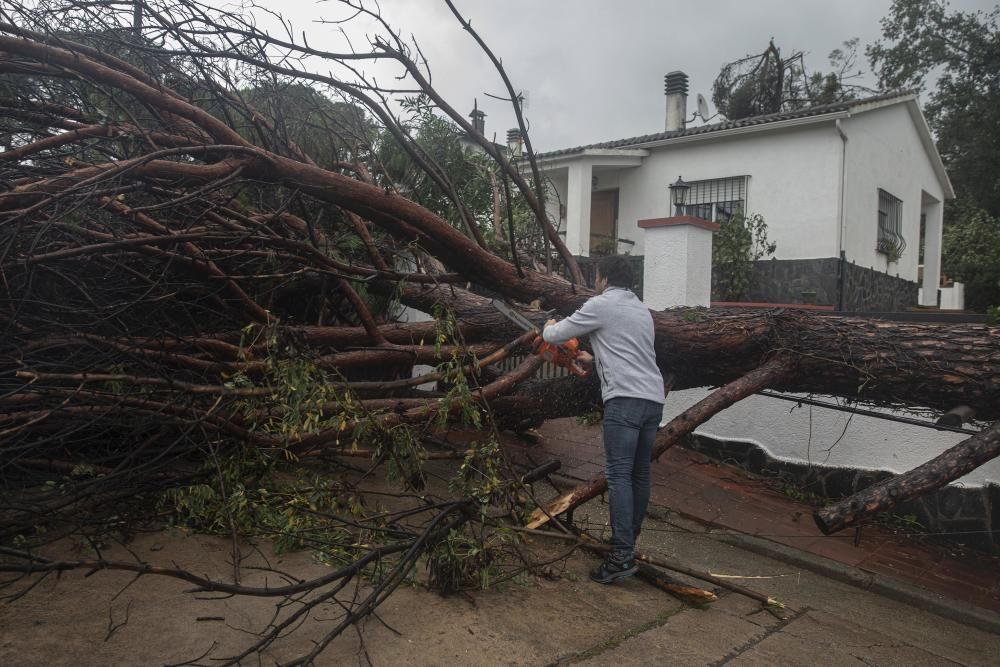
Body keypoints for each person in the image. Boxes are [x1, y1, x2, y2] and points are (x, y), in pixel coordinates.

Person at [542, 255, 665, 584]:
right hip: (652, 400)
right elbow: (629, 353)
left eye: (596, 275)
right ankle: (628, 542)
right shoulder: (641, 310)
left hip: (624, 401)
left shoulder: (601, 304)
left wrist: (549, 325)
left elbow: (555, 337)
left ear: (603, 277)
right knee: (638, 474)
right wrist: (593, 358)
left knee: (619, 476)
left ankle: (621, 556)